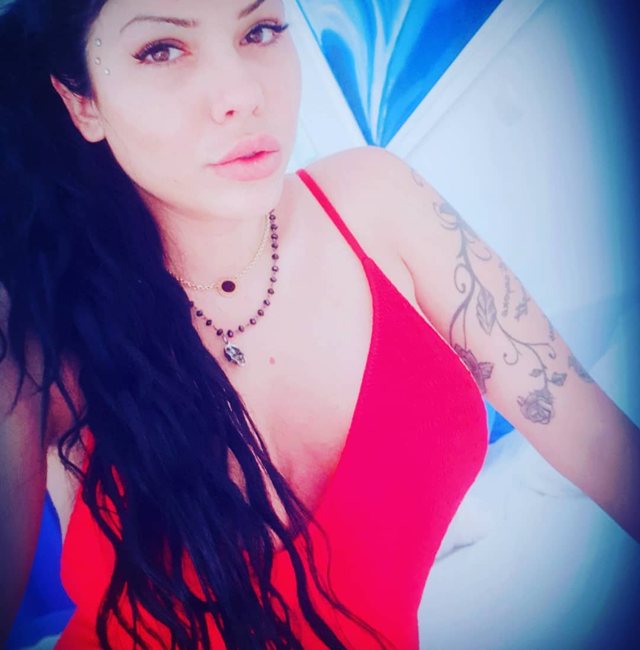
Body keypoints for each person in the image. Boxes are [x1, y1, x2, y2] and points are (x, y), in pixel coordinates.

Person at [1, 0, 638, 648]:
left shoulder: (379, 203)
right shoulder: (37, 329)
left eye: (260, 30)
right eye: (162, 50)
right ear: (83, 101)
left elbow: (592, 437)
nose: (243, 94)